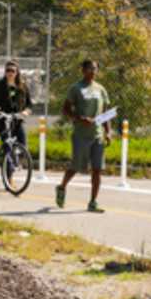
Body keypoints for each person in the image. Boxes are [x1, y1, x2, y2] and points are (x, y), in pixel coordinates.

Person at [56, 59, 112, 213]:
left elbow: (105, 113)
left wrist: (108, 132)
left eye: (95, 69)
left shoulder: (101, 89)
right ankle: (62, 187)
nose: (92, 71)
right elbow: (66, 110)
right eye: (89, 68)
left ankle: (93, 202)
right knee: (76, 166)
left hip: (97, 135)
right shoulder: (76, 88)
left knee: (97, 169)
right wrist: (80, 118)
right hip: (81, 134)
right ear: (82, 70)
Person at [0, 60, 33, 147]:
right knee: (7, 144)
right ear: (5, 72)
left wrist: (26, 112)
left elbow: (29, 104)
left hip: (16, 119)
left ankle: (17, 159)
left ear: (17, 72)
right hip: (1, 118)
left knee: (22, 145)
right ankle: (5, 158)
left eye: (13, 71)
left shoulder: (22, 86)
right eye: (8, 70)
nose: (10, 73)